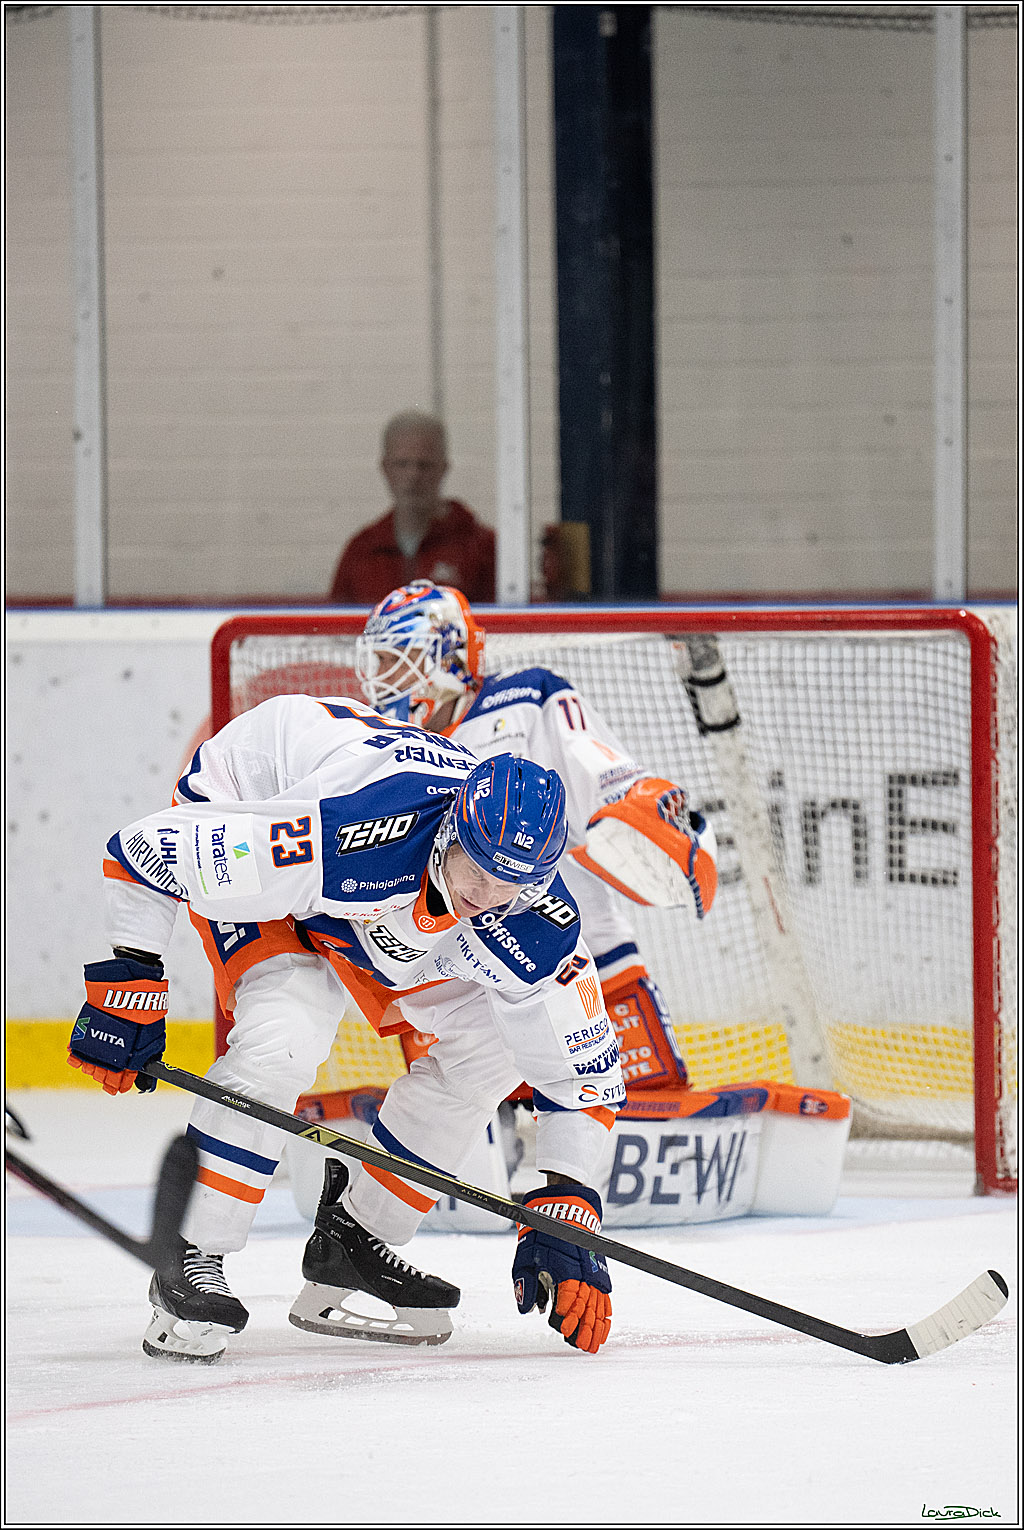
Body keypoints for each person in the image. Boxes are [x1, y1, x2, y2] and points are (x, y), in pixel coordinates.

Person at [66, 699, 654, 1362]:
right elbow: (142, 849)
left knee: (495, 1048)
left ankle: (354, 1239)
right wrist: (131, 978)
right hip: (262, 804)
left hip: (375, 895)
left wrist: (569, 1199)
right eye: (479, 871)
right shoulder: (347, 831)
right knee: (288, 1031)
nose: (489, 898)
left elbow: (584, 1075)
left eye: (512, 886)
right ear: (451, 832)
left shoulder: (538, 919)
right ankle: (191, 1250)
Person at [347, 580, 718, 1105]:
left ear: (448, 655)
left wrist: (644, 806)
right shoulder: (378, 742)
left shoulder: (525, 699)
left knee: (625, 1110)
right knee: (464, 1120)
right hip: (449, 979)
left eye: (395, 659)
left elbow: (604, 781)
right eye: (378, 661)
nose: (380, 677)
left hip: (573, 956)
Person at [329, 411, 496, 605]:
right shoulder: (362, 550)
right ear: (385, 468)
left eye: (424, 465)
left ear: (443, 468)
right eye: (402, 464)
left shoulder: (481, 548)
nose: (413, 475)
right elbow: (338, 620)